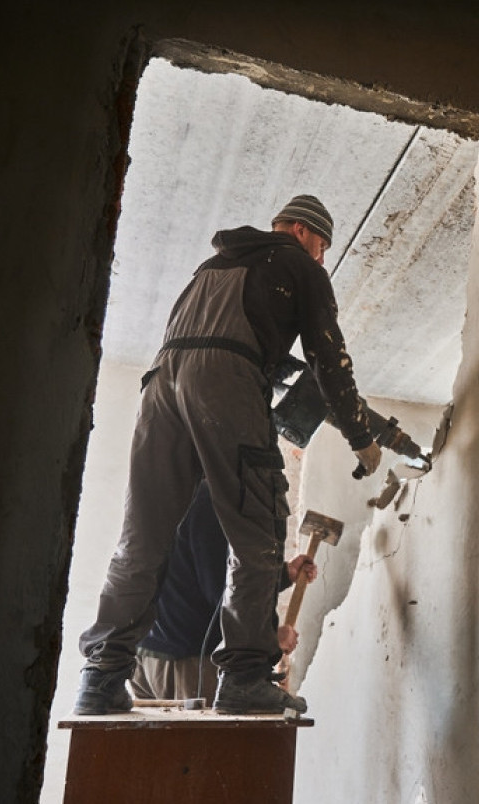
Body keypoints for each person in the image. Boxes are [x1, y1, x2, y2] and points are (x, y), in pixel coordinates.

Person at [74, 194, 382, 716]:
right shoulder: (297, 265)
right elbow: (330, 359)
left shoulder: (211, 267)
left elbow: (210, 340)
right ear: (305, 234)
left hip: (161, 385)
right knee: (257, 529)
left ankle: (100, 678)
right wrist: (362, 438)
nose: (322, 259)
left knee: (141, 537)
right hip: (224, 382)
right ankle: (242, 675)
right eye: (323, 247)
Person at [130, 480, 317, 703]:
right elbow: (223, 594)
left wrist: (283, 576)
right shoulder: (211, 501)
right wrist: (267, 638)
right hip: (189, 663)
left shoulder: (173, 488)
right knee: (207, 739)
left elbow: (196, 575)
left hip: (147, 655)